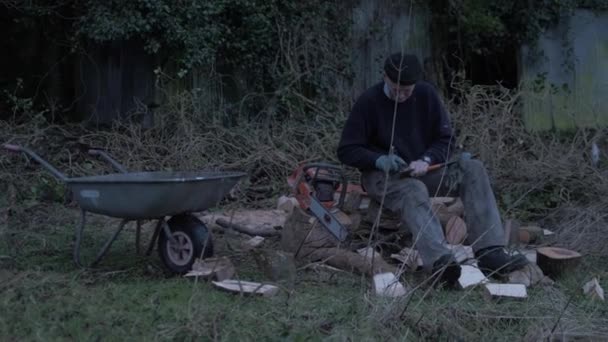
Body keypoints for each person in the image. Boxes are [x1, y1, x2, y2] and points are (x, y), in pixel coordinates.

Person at [337, 52, 528, 286]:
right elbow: (346, 149)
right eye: (396, 88)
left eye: (407, 90)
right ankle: (440, 264)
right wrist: (378, 159)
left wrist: (426, 159)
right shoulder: (369, 101)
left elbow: (445, 139)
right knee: (413, 189)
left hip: (421, 169)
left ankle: (490, 252)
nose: (401, 95)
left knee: (472, 169)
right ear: (385, 77)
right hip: (382, 176)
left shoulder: (426, 95)